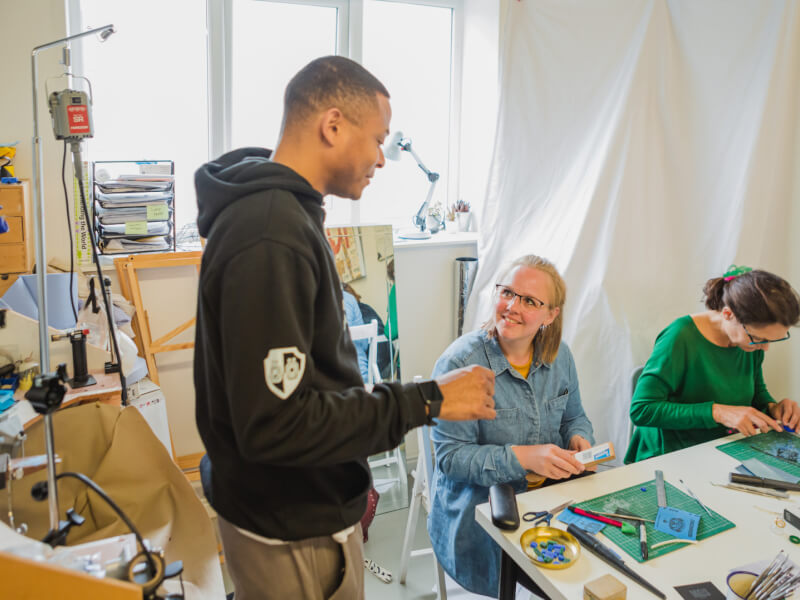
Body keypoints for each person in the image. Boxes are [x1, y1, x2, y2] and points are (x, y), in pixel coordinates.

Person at [193, 56, 496, 600]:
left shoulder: (283, 217)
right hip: (288, 525)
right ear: (332, 125)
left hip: (295, 506)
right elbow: (276, 424)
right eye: (378, 140)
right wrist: (427, 400)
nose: (383, 158)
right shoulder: (270, 234)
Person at [428, 255, 595, 598]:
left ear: (551, 315)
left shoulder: (560, 356)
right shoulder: (459, 363)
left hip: (549, 507)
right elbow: (451, 459)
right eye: (507, 293)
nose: (512, 307)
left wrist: (580, 438)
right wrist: (522, 457)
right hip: (481, 520)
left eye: (530, 301)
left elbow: (574, 417)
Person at [625, 266, 800, 464]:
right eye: (759, 338)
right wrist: (718, 412)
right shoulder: (680, 337)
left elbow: (756, 394)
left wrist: (774, 408)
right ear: (727, 314)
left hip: (725, 447)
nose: (765, 348)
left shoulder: (749, 344)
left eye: (772, 340)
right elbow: (642, 409)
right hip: (670, 455)